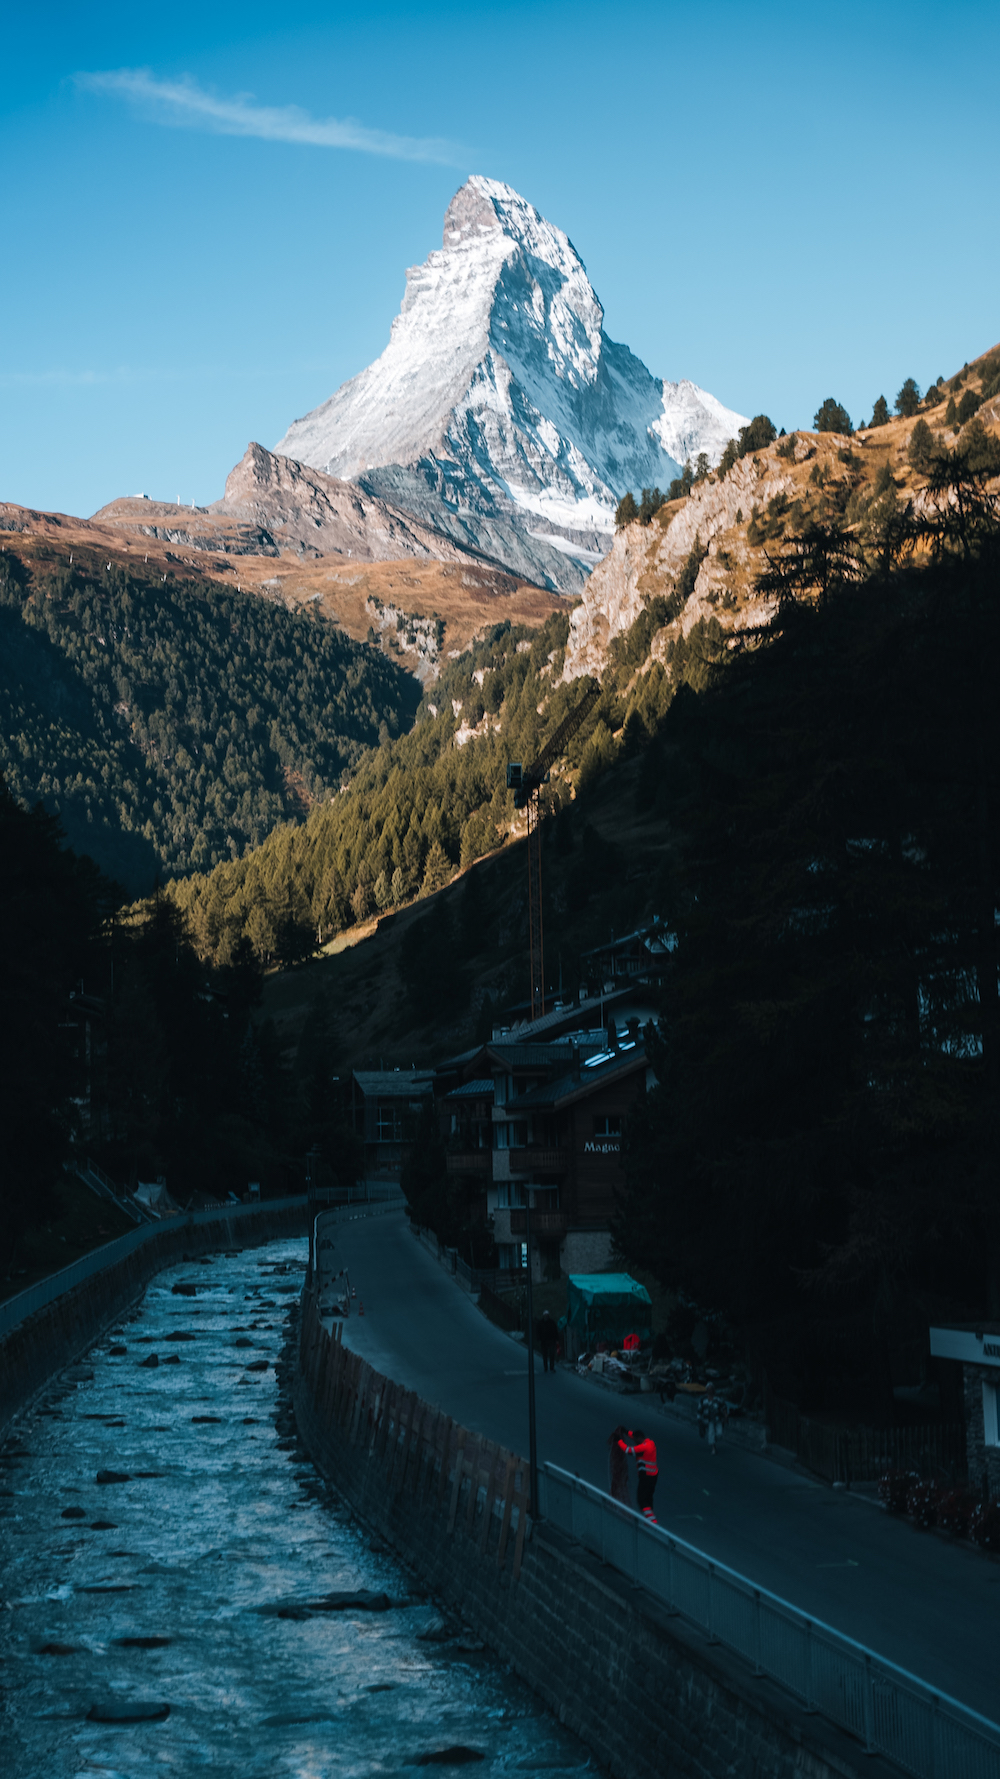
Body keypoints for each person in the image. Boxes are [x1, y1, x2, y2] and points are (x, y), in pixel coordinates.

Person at [617, 1426, 658, 1521]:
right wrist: (626, 1432)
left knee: (641, 1499)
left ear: (639, 1439)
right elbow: (635, 1436)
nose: (634, 1442)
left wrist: (619, 1440)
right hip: (653, 1476)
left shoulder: (642, 1448)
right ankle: (650, 1517)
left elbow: (627, 1450)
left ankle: (652, 1521)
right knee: (648, 1498)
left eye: (635, 1441)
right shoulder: (650, 1443)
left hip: (646, 1477)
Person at [698, 1383, 728, 1454]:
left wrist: (725, 1416)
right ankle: (713, 1447)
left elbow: (724, 1407)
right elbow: (699, 1410)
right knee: (711, 1432)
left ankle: (714, 1440)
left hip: (718, 1419)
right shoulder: (703, 1399)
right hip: (708, 1420)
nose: (710, 1391)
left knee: (719, 1434)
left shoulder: (718, 1399)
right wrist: (699, 1420)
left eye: (711, 1389)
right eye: (708, 1390)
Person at [608, 1424, 631, 1505]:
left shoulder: (615, 1446)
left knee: (616, 1490)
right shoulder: (618, 1446)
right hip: (618, 1473)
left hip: (618, 1472)